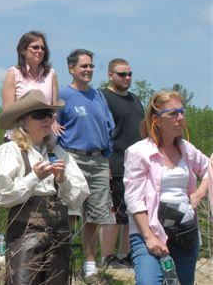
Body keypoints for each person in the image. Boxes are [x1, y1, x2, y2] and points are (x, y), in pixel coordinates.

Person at [0, 90, 89, 285]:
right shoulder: (9, 151)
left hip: (59, 235)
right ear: (23, 121)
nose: (46, 119)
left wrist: (62, 180)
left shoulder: (59, 152)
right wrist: (34, 177)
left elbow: (79, 196)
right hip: (25, 235)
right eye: (39, 115)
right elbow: (2, 196)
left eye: (49, 114)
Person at [124, 90, 208, 285]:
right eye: (173, 114)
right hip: (149, 230)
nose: (180, 118)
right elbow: (134, 199)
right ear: (156, 120)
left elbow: (209, 169)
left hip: (184, 231)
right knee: (148, 282)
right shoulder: (139, 152)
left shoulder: (186, 149)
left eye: (181, 112)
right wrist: (149, 237)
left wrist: (199, 194)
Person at [56, 48, 115, 281]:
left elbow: (108, 128)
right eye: (84, 66)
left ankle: (89, 265)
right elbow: (53, 127)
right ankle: (64, 260)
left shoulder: (98, 96)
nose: (88, 70)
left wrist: (107, 159)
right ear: (72, 69)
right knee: (70, 213)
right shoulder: (63, 95)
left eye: (91, 66)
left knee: (95, 215)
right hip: (73, 158)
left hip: (99, 160)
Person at [99, 58, 144, 269]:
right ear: (110, 75)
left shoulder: (135, 100)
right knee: (113, 213)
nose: (127, 78)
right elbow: (101, 131)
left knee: (131, 211)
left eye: (129, 74)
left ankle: (125, 254)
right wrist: (105, 163)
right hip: (114, 162)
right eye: (121, 74)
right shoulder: (103, 97)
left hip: (136, 165)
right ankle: (107, 257)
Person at [1, 31, 60, 139]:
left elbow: (54, 109)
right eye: (35, 47)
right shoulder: (13, 74)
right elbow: (8, 112)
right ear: (23, 50)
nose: (40, 51)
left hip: (44, 139)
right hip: (18, 138)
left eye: (43, 48)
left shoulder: (51, 75)